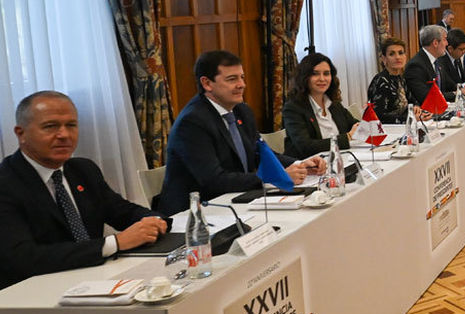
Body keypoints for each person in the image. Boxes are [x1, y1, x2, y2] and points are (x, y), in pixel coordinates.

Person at [0, 91, 168, 287]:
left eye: (71, 125)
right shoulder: (6, 183)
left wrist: (154, 222)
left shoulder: (83, 169)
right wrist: (115, 243)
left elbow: (122, 211)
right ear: (21, 133)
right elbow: (23, 258)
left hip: (94, 281)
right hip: (32, 294)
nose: (64, 135)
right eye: (50, 126)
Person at [158, 51, 325, 216]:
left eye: (242, 77)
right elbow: (215, 180)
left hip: (236, 199)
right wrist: (275, 176)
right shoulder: (192, 122)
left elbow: (260, 153)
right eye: (232, 79)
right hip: (196, 214)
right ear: (207, 83)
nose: (241, 85)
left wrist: (300, 163)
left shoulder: (241, 110)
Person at [282, 53, 360, 159]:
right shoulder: (293, 108)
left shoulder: (333, 104)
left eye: (326, 74)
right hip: (307, 168)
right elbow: (306, 147)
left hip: (339, 161)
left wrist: (366, 122)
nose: (322, 79)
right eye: (315, 74)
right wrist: (348, 137)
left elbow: (354, 125)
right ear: (305, 77)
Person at [368, 38, 412, 123]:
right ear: (384, 59)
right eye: (392, 54)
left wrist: (415, 109)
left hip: (401, 127)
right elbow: (379, 117)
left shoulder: (400, 78)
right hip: (386, 130)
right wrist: (408, 118)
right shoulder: (381, 81)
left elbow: (411, 101)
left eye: (400, 53)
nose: (397, 57)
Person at [404, 24, 445, 107]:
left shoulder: (437, 61)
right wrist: (454, 93)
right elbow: (425, 97)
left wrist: (460, 90)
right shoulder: (415, 66)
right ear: (435, 43)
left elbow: (448, 85)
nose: (447, 44)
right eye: (445, 40)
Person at [438, 29, 465, 99]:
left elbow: (462, 80)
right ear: (450, 49)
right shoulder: (441, 62)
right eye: (462, 49)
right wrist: (461, 91)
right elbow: (449, 86)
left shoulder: (457, 57)